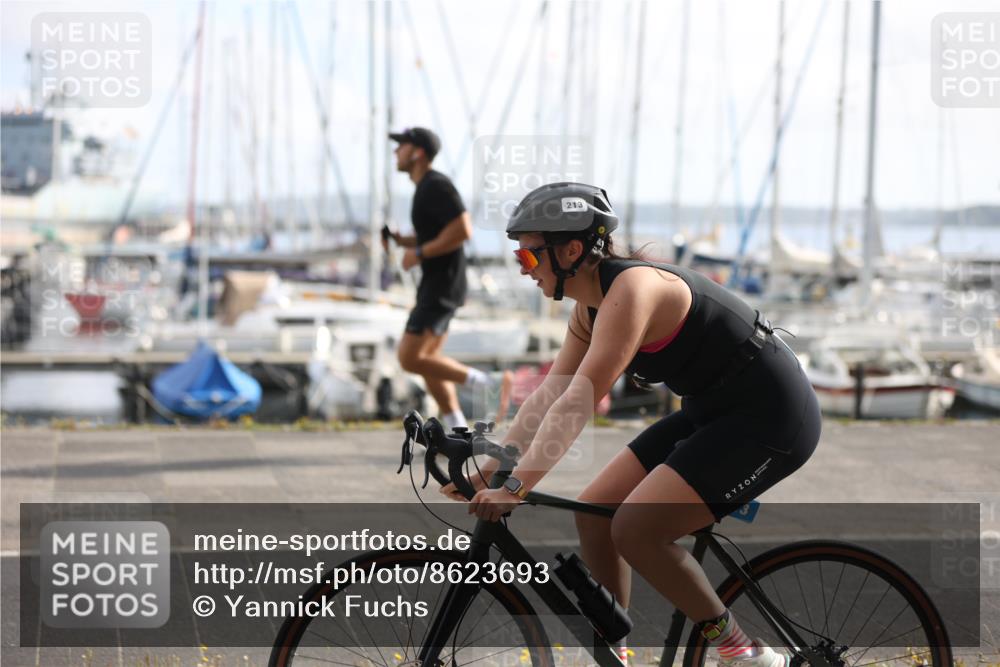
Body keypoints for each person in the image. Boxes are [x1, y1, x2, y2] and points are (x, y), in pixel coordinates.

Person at [441, 182, 821, 666]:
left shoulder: (632, 291)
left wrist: (515, 486)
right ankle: (614, 655)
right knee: (595, 509)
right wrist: (494, 468)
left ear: (571, 250)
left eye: (530, 256)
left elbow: (578, 402)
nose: (522, 268)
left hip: (771, 416)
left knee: (636, 529)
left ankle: (741, 650)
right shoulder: (589, 307)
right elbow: (549, 394)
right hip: (711, 410)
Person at [384, 127, 511, 428]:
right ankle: (458, 430)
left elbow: (463, 230)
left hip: (442, 285)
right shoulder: (425, 188)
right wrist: (406, 242)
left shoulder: (435, 185)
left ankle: (489, 382)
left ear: (417, 153)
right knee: (431, 362)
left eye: (401, 145)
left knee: (409, 357)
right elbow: (439, 233)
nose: (395, 151)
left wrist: (421, 252)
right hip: (440, 283)